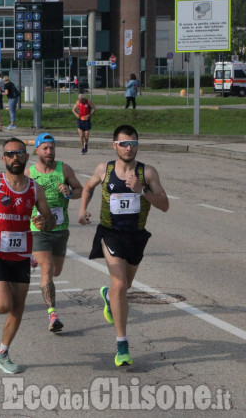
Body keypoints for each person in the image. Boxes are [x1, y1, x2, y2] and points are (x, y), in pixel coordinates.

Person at [78, 125, 169, 367]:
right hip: (110, 233)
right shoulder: (105, 169)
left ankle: (108, 296)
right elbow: (87, 187)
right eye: (124, 144)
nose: (129, 148)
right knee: (119, 283)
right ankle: (122, 345)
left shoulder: (147, 173)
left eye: (133, 143)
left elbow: (164, 204)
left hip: (136, 236)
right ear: (114, 145)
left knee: (124, 286)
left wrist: (142, 191)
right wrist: (83, 209)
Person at [0, 138, 55, 374]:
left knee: (18, 307)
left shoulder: (36, 189)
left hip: (22, 254)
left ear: (26, 157)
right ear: (4, 159)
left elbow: (50, 221)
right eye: (10, 154)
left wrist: (43, 221)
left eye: (19, 154)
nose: (15, 158)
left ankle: (2, 353)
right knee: (4, 306)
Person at [26, 133, 83, 333]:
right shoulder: (30, 173)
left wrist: (69, 192)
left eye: (52, 148)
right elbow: (21, 199)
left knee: (56, 271)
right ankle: (52, 314)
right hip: (38, 229)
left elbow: (80, 190)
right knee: (48, 269)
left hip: (60, 229)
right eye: (45, 148)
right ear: (37, 150)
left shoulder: (64, 169)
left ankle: (34, 259)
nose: (49, 152)